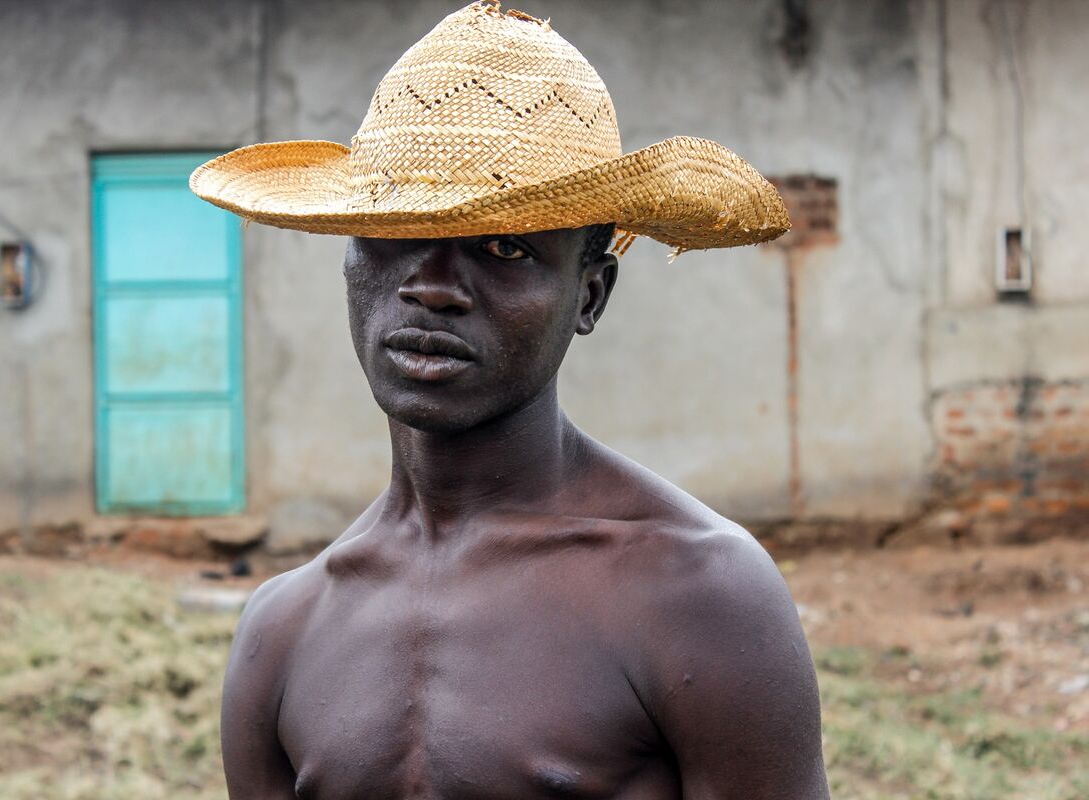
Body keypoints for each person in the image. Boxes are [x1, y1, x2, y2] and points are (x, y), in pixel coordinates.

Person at [191, 2, 827, 798]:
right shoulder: (282, 633)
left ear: (589, 295)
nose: (430, 285)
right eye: (392, 233)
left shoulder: (699, 594)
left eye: (505, 248)